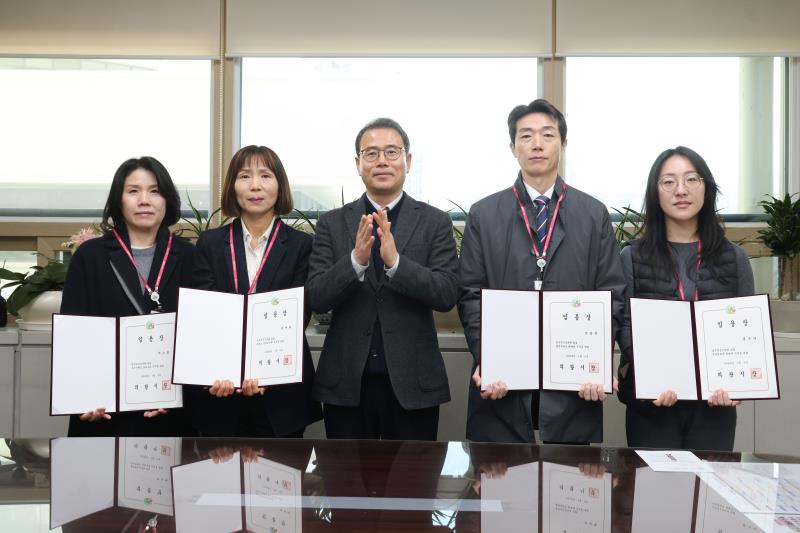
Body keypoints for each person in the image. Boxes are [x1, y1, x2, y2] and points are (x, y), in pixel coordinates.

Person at [458, 99, 626, 444]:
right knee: (501, 488)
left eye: (547, 135)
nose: (537, 144)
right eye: (526, 136)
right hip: (502, 386)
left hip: (573, 388)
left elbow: (612, 295)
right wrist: (487, 357)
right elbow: (470, 294)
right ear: (512, 147)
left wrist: (596, 361)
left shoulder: (593, 215)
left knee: (570, 489)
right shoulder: (484, 214)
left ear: (563, 144)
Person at [307, 118, 459, 440]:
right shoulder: (332, 224)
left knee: (413, 486)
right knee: (344, 487)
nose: (382, 161)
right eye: (371, 153)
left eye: (392, 152)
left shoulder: (435, 222)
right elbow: (317, 297)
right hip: (346, 384)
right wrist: (355, 261)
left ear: (408, 161)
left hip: (413, 384)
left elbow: (446, 294)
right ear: (358, 163)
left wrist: (396, 263)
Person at [617, 146, 754, 451]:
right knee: (655, 495)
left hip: (713, 406)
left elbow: (746, 335)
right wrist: (651, 375)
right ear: (656, 193)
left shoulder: (735, 258)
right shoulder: (632, 256)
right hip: (652, 404)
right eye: (669, 182)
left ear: (707, 187)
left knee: (708, 493)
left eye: (691, 179)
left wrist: (738, 385)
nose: (681, 190)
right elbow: (625, 325)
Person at [189, 145, 322, 437]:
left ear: (280, 186)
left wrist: (264, 371)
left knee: (280, 478)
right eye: (245, 176)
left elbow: (297, 316)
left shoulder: (302, 246)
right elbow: (205, 317)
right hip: (220, 389)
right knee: (220, 480)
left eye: (265, 175)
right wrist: (228, 372)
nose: (255, 185)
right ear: (232, 187)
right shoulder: (210, 244)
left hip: (281, 393)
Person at [60, 156, 194, 437]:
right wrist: (81, 396)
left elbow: (198, 338)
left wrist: (177, 393)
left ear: (167, 200)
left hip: (170, 414)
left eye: (154, 191)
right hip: (103, 412)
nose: (144, 200)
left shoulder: (190, 256)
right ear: (118, 201)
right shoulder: (91, 256)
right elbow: (75, 336)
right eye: (133, 191)